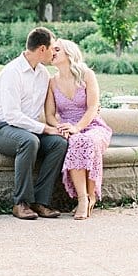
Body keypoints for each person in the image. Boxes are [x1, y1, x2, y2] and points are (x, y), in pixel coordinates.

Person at [0, 26, 69, 220]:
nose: (54, 53)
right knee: (29, 141)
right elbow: (12, 116)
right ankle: (21, 203)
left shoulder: (42, 74)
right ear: (42, 49)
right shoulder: (12, 73)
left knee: (59, 143)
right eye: (52, 48)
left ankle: (40, 202)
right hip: (3, 130)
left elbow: (54, 105)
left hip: (30, 131)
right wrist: (45, 128)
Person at [45, 38, 113, 221]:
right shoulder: (52, 82)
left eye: (57, 49)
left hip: (92, 125)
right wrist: (61, 128)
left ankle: (88, 197)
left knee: (85, 140)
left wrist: (77, 127)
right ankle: (84, 198)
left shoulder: (87, 75)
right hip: (67, 127)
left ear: (69, 53)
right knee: (76, 140)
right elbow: (50, 115)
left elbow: (93, 107)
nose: (53, 52)